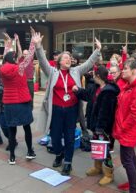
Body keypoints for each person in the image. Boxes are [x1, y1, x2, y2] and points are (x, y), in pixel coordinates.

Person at [34, 31, 101, 176]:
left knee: (70, 138)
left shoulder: (76, 71)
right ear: (59, 62)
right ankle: (59, 154)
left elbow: (89, 63)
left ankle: (68, 163)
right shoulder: (52, 72)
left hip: (71, 110)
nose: (68, 59)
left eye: (69, 57)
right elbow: (42, 61)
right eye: (65, 57)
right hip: (56, 110)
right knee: (56, 138)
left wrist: (97, 50)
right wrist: (38, 46)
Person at [74, 65, 120, 186]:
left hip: (104, 127)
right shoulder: (96, 87)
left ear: (98, 76)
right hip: (96, 125)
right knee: (97, 147)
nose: (92, 76)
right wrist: (77, 90)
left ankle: (109, 174)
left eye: (94, 74)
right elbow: (87, 95)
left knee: (106, 151)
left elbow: (106, 112)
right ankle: (97, 167)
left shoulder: (108, 91)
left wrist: (100, 128)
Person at [0, 29, 36, 165]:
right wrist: (33, 40)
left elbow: (5, 55)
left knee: (12, 129)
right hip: (22, 101)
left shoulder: (2, 69)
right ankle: (30, 152)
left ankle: (12, 156)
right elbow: (30, 55)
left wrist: (8, 43)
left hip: (9, 103)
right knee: (27, 128)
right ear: (14, 59)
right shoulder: (19, 68)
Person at [113, 59, 136, 193]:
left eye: (125, 68)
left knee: (126, 159)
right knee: (130, 156)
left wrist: (122, 127)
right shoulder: (129, 85)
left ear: (133, 71)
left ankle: (133, 188)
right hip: (125, 128)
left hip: (128, 130)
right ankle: (133, 183)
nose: (122, 71)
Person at [15, 34, 35, 109]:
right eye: (24, 54)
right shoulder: (20, 60)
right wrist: (17, 41)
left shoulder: (30, 59)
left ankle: (30, 108)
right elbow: (19, 49)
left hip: (29, 81)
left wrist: (33, 37)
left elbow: (32, 49)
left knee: (31, 94)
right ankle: (23, 108)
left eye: (27, 54)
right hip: (21, 81)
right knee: (21, 95)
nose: (25, 55)